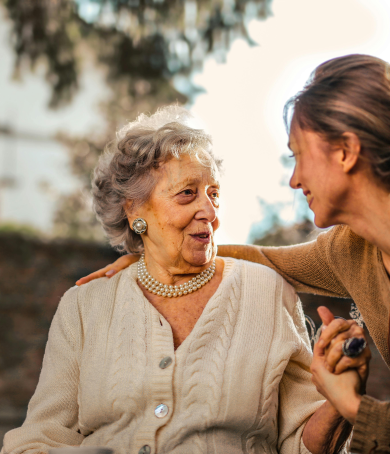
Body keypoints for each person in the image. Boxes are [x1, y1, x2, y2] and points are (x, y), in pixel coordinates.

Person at [79, 55, 390, 453]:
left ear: (346, 151)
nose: (294, 180)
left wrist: (350, 404)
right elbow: (266, 259)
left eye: (298, 154)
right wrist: (160, 253)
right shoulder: (349, 251)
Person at [1, 106, 354, 454]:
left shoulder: (267, 292)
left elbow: (303, 444)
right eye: (188, 193)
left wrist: (340, 402)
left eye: (213, 193)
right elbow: (39, 439)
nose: (211, 212)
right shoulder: (83, 306)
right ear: (135, 210)